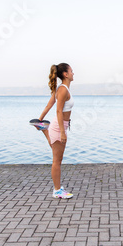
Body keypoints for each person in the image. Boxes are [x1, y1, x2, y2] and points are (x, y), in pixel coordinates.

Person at [36, 63, 75, 199]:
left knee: (57, 156)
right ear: (65, 74)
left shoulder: (61, 88)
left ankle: (43, 128)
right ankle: (57, 191)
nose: (73, 73)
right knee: (57, 161)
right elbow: (58, 110)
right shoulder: (63, 90)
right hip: (59, 127)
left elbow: (49, 104)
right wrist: (63, 132)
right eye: (71, 71)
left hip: (58, 126)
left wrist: (39, 120)